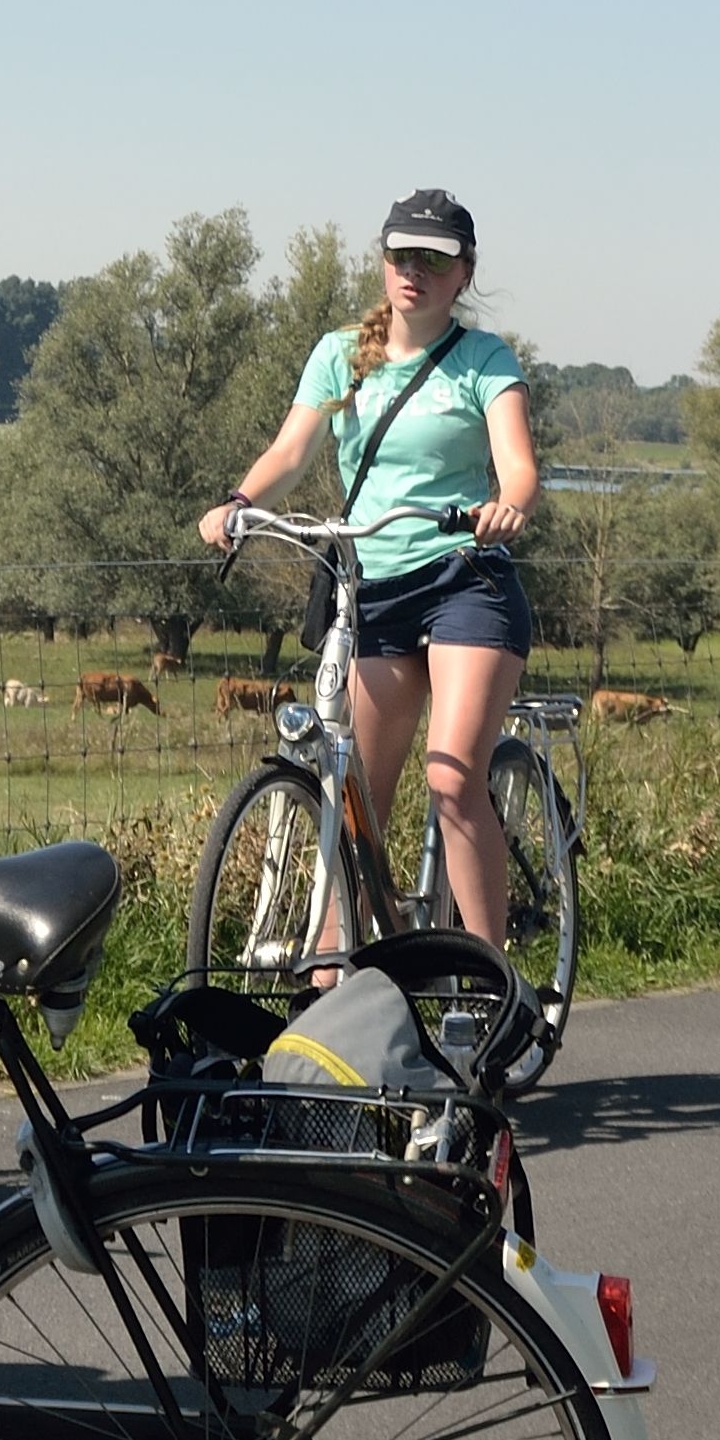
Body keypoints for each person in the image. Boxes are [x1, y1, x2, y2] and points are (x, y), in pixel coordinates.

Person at [197, 190, 543, 943]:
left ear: (463, 273)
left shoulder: (485, 359)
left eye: (433, 258)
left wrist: (508, 505)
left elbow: (518, 468)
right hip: (373, 587)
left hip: (463, 579)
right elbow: (293, 451)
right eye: (399, 255)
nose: (413, 270)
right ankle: (334, 976)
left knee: (451, 778)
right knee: (357, 800)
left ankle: (489, 984)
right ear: (383, 263)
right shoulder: (341, 352)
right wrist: (239, 502)